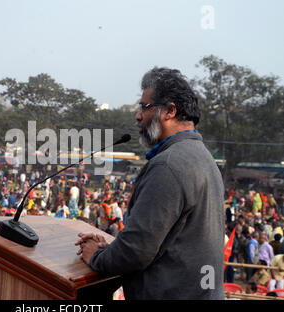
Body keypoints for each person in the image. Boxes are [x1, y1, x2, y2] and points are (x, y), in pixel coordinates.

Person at [75, 67, 225, 299]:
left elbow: (136, 251)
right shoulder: (202, 156)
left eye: (144, 107)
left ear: (170, 111)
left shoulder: (169, 165)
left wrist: (96, 256)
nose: (138, 116)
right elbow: (164, 242)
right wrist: (111, 249)